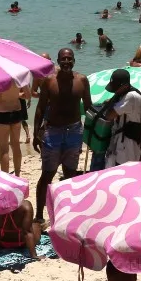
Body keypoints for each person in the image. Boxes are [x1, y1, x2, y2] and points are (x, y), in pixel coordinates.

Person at [32, 49, 94, 224]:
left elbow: (88, 107)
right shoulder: (49, 81)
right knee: (47, 174)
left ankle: (69, 213)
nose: (66, 61)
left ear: (74, 60)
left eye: (69, 59)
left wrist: (101, 120)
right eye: (63, 59)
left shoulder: (81, 80)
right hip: (53, 132)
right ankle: (38, 215)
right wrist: (37, 133)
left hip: (74, 131)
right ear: (58, 61)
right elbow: (40, 108)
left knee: (70, 174)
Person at [100, 68, 141, 170]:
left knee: (124, 170)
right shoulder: (124, 94)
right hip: (121, 139)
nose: (115, 91)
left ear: (125, 85)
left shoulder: (131, 96)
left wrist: (110, 103)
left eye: (116, 88)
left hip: (127, 142)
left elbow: (109, 115)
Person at [0, 81, 30, 176]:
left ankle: (6, 177)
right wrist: (16, 95)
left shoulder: (0, 78)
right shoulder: (18, 77)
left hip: (3, 113)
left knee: (4, 149)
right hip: (16, 112)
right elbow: (28, 95)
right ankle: (17, 174)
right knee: (16, 145)